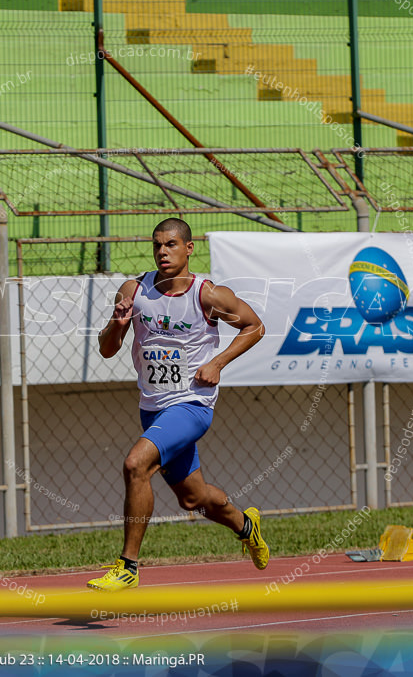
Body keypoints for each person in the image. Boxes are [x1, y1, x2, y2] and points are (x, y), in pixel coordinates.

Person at [87, 218, 269, 591]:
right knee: (193, 499)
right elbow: (107, 350)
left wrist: (217, 363)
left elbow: (255, 326)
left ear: (188, 248)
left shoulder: (208, 295)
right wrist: (118, 324)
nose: (162, 252)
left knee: (136, 464)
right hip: (153, 407)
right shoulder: (135, 291)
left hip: (192, 406)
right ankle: (247, 525)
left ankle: (127, 566)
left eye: (170, 244)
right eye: (157, 245)